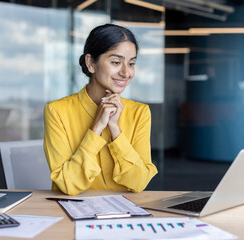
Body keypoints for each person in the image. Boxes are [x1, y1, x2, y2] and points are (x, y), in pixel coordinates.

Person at [43, 23, 158, 196]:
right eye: (116, 62)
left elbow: (139, 182)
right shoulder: (57, 111)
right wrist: (96, 128)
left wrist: (115, 130)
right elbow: (68, 184)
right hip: (72, 213)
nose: (126, 72)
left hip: (124, 214)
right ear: (91, 63)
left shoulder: (139, 113)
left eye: (131, 63)